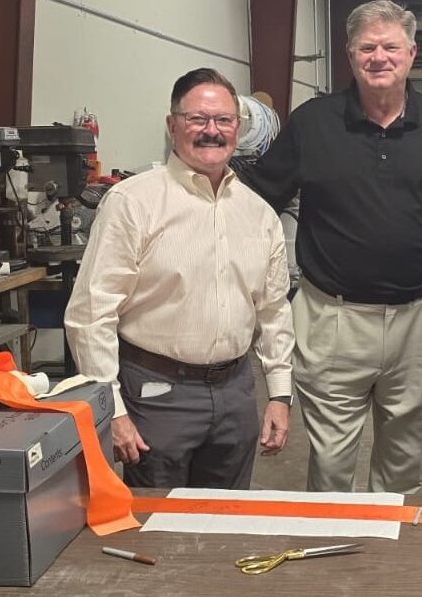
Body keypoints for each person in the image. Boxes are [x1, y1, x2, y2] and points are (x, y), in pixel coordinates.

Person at [240, 0, 422, 494]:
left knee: (407, 465)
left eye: (390, 46)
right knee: (330, 465)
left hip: (419, 319)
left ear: (411, 54)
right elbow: (255, 203)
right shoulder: (313, 123)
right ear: (350, 56)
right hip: (332, 318)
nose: (379, 57)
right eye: (367, 47)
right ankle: (334, 540)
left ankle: (394, 545)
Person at [65, 68, 294, 489]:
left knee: (228, 518)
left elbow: (274, 310)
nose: (212, 131)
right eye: (197, 119)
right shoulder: (132, 203)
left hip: (236, 394)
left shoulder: (258, 213)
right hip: (157, 396)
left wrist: (279, 393)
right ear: (172, 126)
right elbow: (91, 314)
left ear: (238, 128)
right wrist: (112, 409)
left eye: (224, 120)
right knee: (158, 520)